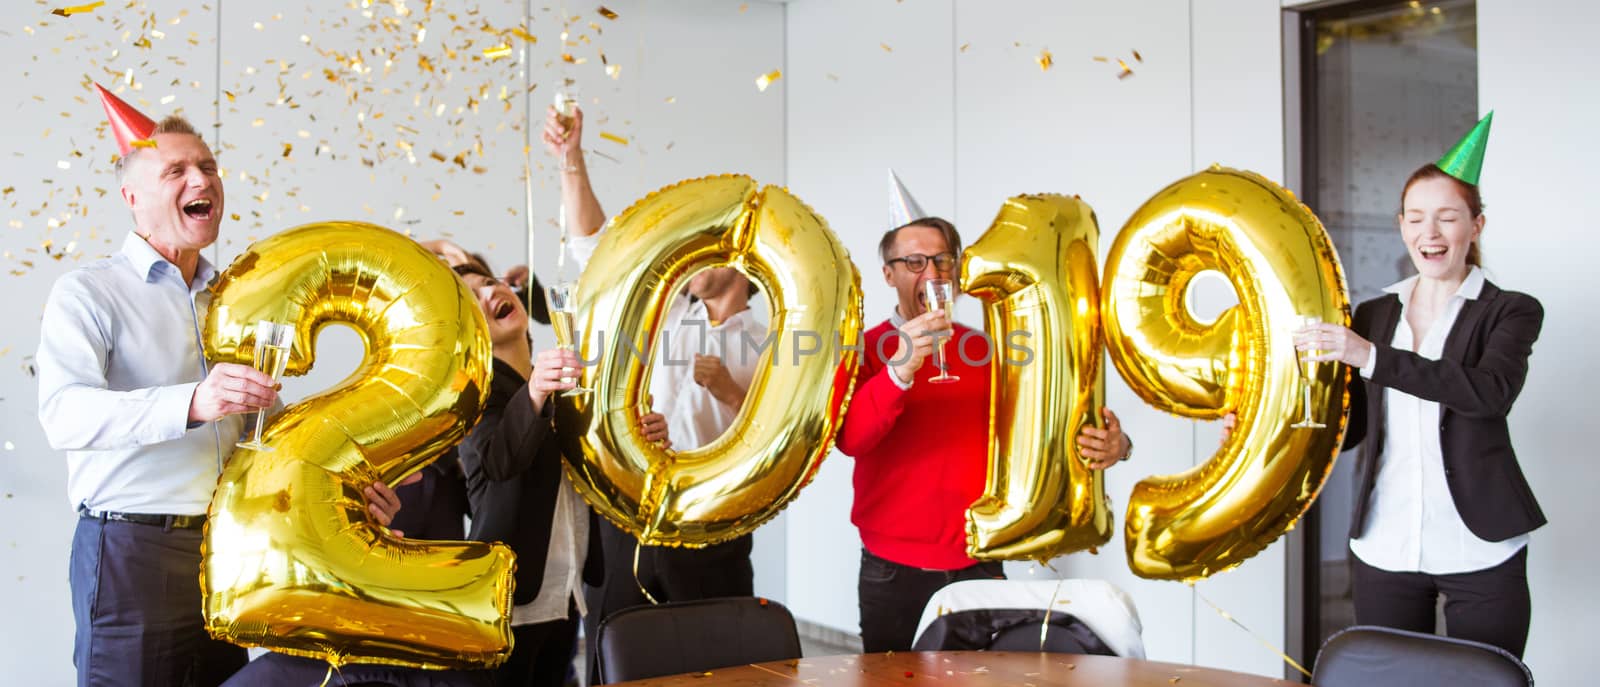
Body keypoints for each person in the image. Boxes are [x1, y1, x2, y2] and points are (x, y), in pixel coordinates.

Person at [36, 89, 405, 687]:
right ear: (132, 198)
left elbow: (269, 425)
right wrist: (194, 400)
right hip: (132, 551)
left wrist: (349, 489)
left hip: (226, 549)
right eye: (175, 169)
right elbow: (64, 415)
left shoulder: (236, 299)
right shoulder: (88, 293)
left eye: (207, 166)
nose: (200, 177)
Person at [1294, 115, 1543, 658]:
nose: (1430, 233)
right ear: (1401, 225)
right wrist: (1275, 420)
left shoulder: (1511, 311)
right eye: (1416, 218)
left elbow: (1488, 393)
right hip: (1384, 544)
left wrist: (1371, 357)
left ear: (1475, 226)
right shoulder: (1375, 312)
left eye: (1447, 218)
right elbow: (1352, 427)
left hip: (1480, 546)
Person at [836, 209, 1135, 653]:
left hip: (980, 564)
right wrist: (900, 369)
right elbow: (852, 439)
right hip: (892, 570)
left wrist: (1118, 446)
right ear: (888, 274)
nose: (933, 274)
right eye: (915, 263)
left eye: (943, 262)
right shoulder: (863, 349)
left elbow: (1048, 432)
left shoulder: (991, 351)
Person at [542, 103, 763, 683]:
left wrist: (730, 389)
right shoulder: (664, 310)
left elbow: (777, 432)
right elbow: (595, 245)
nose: (689, 251)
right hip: (634, 514)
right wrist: (571, 160)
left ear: (735, 256)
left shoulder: (772, 338)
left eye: (704, 242)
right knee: (619, 651)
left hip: (714, 521)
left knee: (718, 659)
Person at [452, 260, 663, 687]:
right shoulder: (473, 392)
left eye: (490, 283)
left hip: (568, 592)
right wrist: (534, 392)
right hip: (509, 600)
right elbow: (498, 462)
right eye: (474, 297)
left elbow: (595, 469)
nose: (491, 293)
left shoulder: (556, 387)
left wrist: (643, 435)